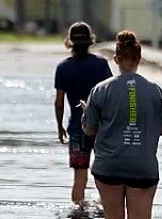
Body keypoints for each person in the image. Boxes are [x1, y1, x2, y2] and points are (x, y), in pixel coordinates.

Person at [82, 31, 162, 219]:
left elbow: (89, 130)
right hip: (143, 165)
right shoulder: (155, 91)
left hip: (109, 165)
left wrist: (87, 112)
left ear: (116, 59)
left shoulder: (100, 90)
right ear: (139, 59)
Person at [54, 22, 113, 205]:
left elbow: (59, 103)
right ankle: (104, 210)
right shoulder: (101, 65)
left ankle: (78, 211)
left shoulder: (63, 68)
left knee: (79, 177)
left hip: (76, 129)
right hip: (101, 129)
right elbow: (110, 95)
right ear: (91, 41)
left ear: (69, 42)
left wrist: (60, 127)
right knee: (104, 176)